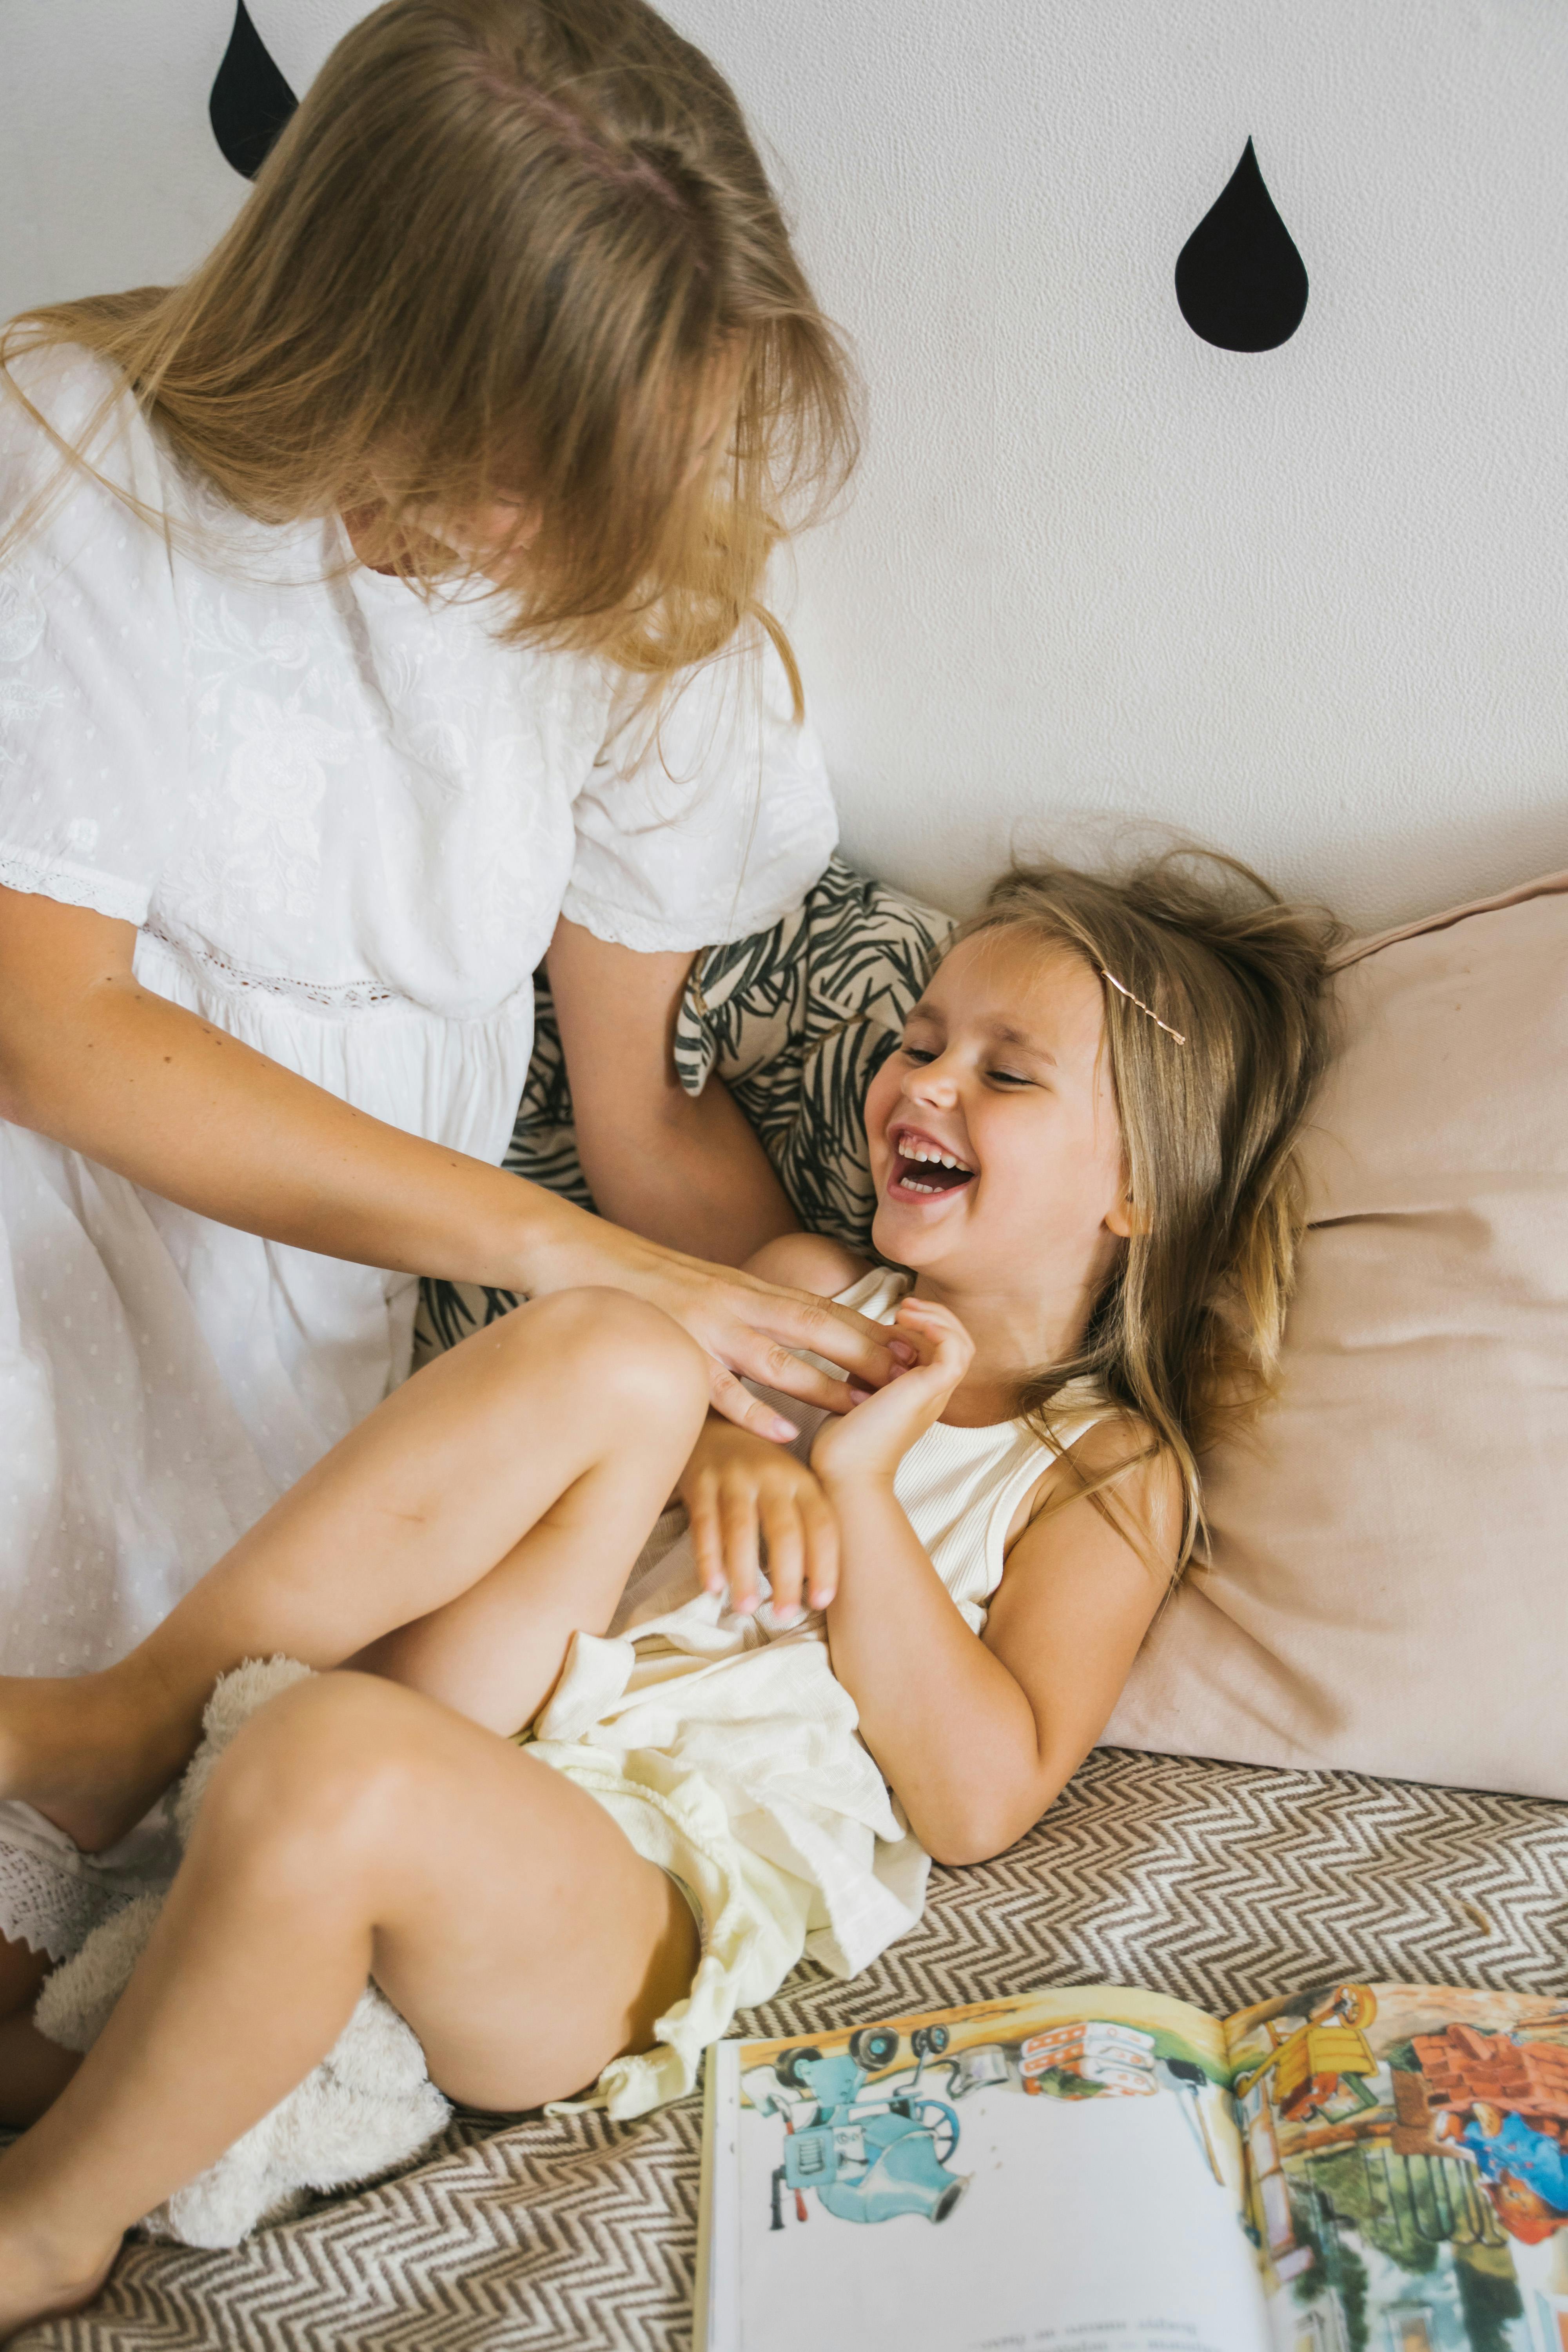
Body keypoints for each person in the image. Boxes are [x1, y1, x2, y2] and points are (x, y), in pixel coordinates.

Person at [0, 850, 1333, 2332]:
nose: (926, 1084)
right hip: (499, 1693)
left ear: (1140, 1189)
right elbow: (631, 1425)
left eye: (1007, 1076)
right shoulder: (803, 1292)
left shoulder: (1104, 1470)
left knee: (331, 1768)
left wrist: (859, 1484)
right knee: (619, 1345)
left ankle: (51, 2226)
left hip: (631, 1889)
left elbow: (974, 1803)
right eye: (917, 1042)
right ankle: (138, 1724)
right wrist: (715, 1437)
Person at [0, 0, 910, 2005]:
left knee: (235, 1900)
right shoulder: (73, 453)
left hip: (296, 1421)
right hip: (37, 1301)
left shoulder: (630, 602)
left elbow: (641, 1117)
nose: (568, 531)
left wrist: (781, 1362)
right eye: (532, 467)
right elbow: (46, 1025)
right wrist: (551, 1246)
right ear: (378, 355)